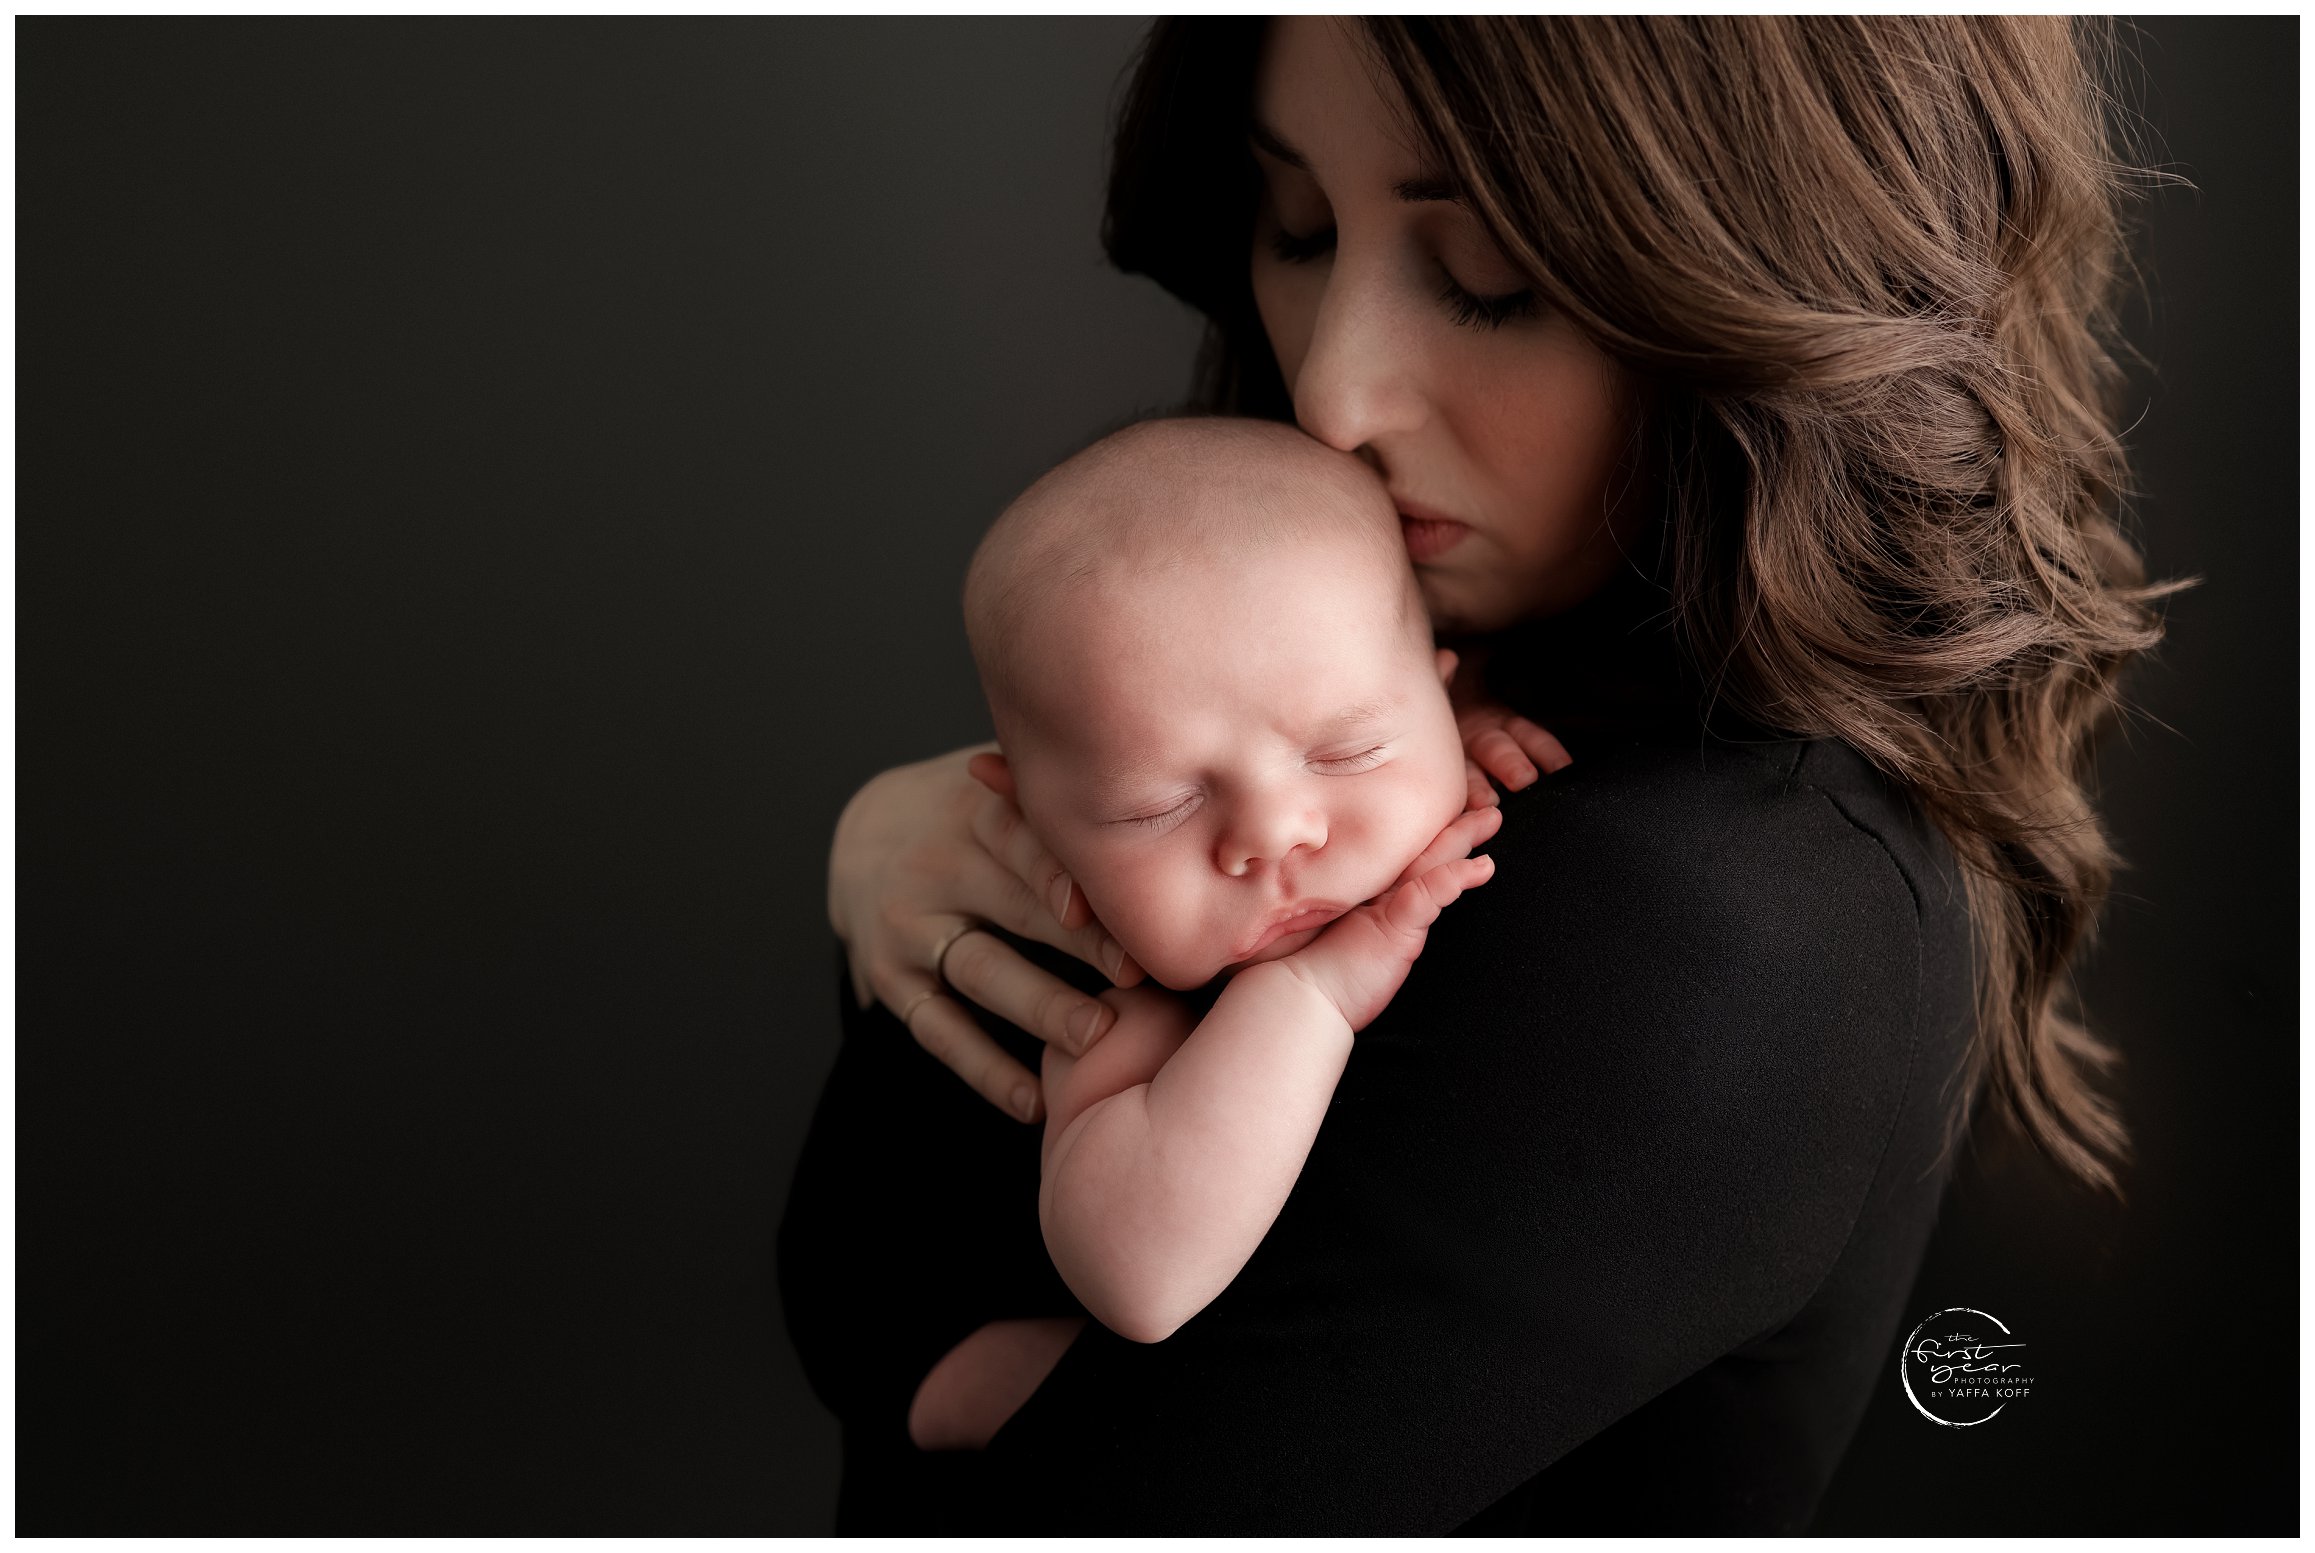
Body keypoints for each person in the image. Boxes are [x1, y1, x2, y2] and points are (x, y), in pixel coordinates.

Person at [779, 17, 2177, 1533]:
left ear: (1764, 280)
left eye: (1486, 278)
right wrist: (894, 849)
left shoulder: (1709, 919)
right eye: (1296, 227)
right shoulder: (1416, 686)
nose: (1332, 395)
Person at [910, 417, 1499, 1450]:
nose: (1275, 833)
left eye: (1350, 746)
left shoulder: (1472, 766)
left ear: (1445, 686)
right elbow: (1143, 1278)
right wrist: (1304, 995)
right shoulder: (1122, 996)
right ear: (1029, 823)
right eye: (1155, 807)